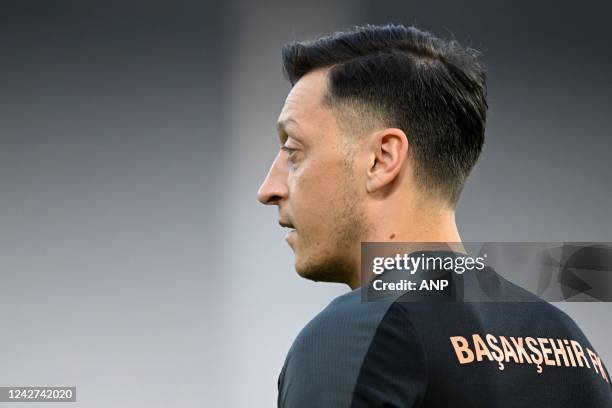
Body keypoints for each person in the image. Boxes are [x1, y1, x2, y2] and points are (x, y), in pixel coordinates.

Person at [257, 24, 612, 407]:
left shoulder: (356, 337)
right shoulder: (576, 350)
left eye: (293, 151)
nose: (268, 189)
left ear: (382, 159)